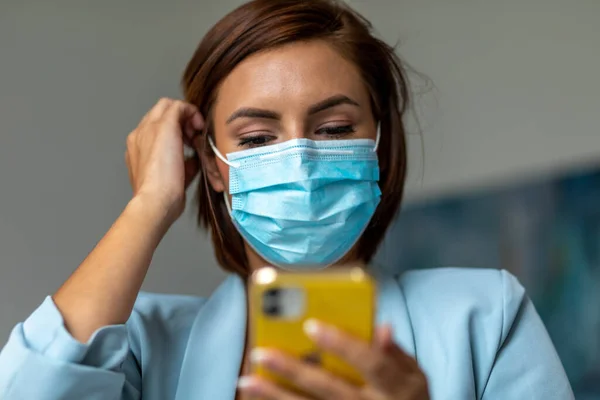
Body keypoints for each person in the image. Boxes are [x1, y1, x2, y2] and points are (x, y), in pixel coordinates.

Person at [0, 0, 574, 399]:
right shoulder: (142, 344)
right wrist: (149, 203)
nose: (299, 161)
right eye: (255, 138)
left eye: (332, 129)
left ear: (378, 143)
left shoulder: (485, 318)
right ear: (215, 166)